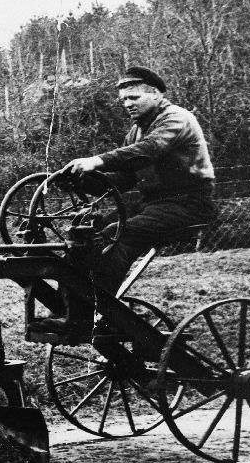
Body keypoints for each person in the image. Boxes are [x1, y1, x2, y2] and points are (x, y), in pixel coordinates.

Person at [35, 66, 217, 335]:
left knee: (115, 235)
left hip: (189, 204)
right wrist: (79, 180)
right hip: (154, 203)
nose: (127, 104)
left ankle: (102, 313)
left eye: (134, 97)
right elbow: (123, 180)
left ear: (154, 94)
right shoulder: (135, 131)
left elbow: (149, 151)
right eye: (124, 100)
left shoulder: (176, 119)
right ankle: (70, 309)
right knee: (86, 234)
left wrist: (97, 161)